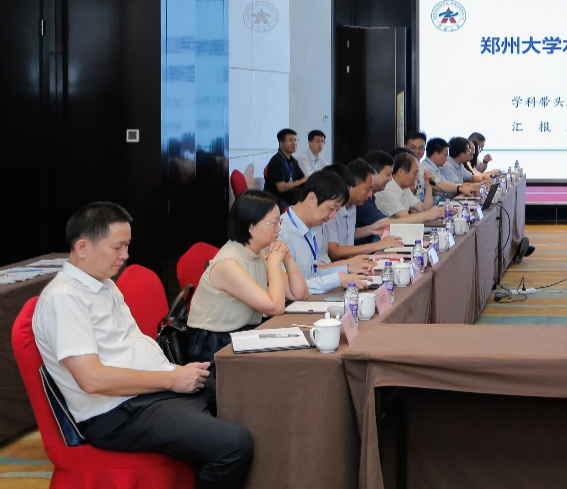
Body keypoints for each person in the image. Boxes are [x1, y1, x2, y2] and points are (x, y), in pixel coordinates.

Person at [32, 202, 253, 488]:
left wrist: (173, 372)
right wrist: (170, 379)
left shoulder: (103, 283)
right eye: (117, 247)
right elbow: (92, 379)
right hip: (116, 412)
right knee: (234, 444)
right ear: (83, 247)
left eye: (127, 246)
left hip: (146, 392)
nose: (125, 255)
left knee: (246, 394)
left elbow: (127, 349)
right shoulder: (63, 299)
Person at [186, 190, 309, 372]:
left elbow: (300, 294)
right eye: (273, 223)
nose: (279, 229)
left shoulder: (257, 253)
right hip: (214, 345)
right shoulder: (228, 263)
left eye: (279, 222)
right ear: (250, 226)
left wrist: (288, 258)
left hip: (244, 333)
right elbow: (276, 307)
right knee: (286, 366)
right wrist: (274, 263)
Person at [280, 170, 372, 295]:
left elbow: (312, 274)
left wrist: (347, 269)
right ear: (311, 198)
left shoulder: (313, 227)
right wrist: (338, 278)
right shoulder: (281, 232)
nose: (333, 216)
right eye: (331, 208)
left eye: (336, 210)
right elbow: (290, 286)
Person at [325, 159, 404, 259]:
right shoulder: (331, 211)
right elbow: (334, 251)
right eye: (368, 189)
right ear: (352, 186)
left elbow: (346, 234)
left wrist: (371, 229)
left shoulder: (353, 205)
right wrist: (377, 245)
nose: (370, 194)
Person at [377, 152, 442, 221]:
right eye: (415, 173)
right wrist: (429, 214)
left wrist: (428, 185)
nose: (417, 177)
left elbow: (424, 209)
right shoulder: (387, 190)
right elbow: (405, 219)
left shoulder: (404, 188)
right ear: (400, 172)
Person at [263, 128, 307, 205]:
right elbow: (281, 188)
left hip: (289, 198)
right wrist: (298, 182)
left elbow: (302, 179)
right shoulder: (276, 161)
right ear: (281, 143)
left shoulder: (293, 161)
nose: (294, 143)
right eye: (290, 140)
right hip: (274, 201)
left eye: (295, 140)